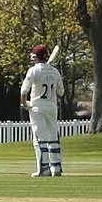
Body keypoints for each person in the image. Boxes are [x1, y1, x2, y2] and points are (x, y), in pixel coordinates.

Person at [20, 45, 65, 176]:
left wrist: (25, 104)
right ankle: (56, 167)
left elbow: (23, 91)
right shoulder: (55, 71)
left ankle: (43, 168)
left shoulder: (33, 71)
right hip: (51, 107)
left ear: (35, 57)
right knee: (52, 137)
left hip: (37, 107)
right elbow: (61, 92)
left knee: (40, 138)